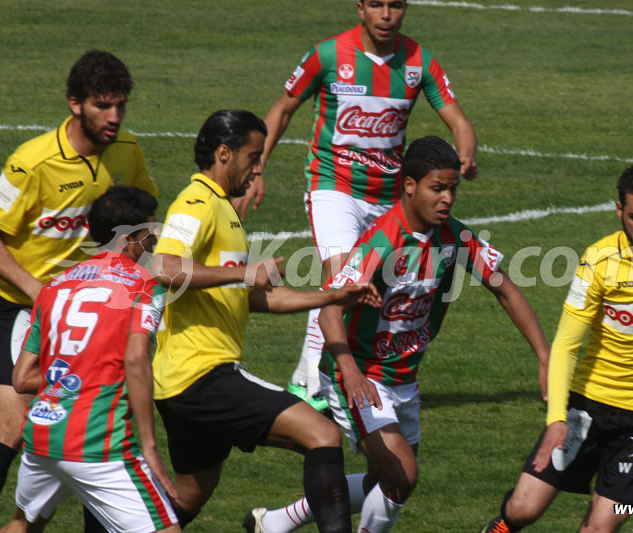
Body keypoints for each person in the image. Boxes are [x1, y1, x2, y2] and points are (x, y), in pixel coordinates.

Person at [243, 136, 549, 533]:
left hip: (404, 378)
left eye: (452, 189)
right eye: (437, 188)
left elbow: (505, 288)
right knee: (402, 474)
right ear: (409, 186)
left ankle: (276, 523)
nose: (448, 199)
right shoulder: (382, 242)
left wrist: (544, 355)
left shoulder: (456, 237)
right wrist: (350, 371)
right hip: (358, 377)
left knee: (387, 481)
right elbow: (329, 309)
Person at [150, 109, 378, 533]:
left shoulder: (223, 209)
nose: (258, 168)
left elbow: (255, 298)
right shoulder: (196, 202)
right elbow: (163, 266)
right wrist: (243, 272)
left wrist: (333, 295)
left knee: (190, 495)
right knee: (322, 435)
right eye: (253, 157)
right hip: (200, 375)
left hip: (182, 381)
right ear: (223, 153)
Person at [246, 0, 479, 410]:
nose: (386, 14)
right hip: (333, 186)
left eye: (396, 5)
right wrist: (258, 168)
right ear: (360, 8)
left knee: (369, 289)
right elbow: (283, 109)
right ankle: (315, 387)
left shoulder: (419, 61)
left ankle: (318, 375)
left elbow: (458, 121)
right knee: (341, 281)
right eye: (377, 4)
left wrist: (465, 154)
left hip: (390, 198)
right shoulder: (329, 54)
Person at [479, 163, 633, 533]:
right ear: (619, 211)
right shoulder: (598, 260)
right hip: (589, 407)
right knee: (523, 510)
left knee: (599, 529)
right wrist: (557, 420)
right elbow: (565, 344)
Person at [0, 50, 158, 532]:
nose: (114, 117)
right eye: (102, 106)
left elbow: (144, 217)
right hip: (20, 306)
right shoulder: (32, 163)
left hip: (87, 307)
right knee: (14, 426)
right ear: (75, 104)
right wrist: (39, 291)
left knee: (94, 418)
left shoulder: (127, 152)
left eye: (120, 106)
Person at [0, 186, 178, 533]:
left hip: (43, 435)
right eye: (150, 234)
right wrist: (150, 446)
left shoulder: (55, 287)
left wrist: (76, 376)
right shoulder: (142, 284)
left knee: (22, 525)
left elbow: (22, 378)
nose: (155, 243)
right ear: (129, 239)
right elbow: (136, 359)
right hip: (100, 442)